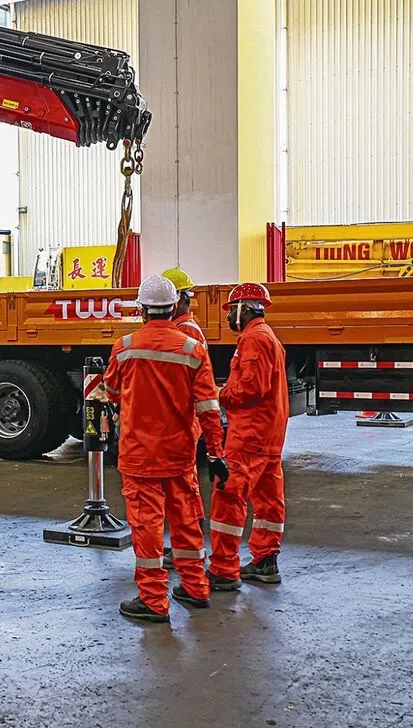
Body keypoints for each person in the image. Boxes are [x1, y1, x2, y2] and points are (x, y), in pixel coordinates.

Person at [102, 274, 227, 623]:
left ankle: (154, 601)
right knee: (187, 521)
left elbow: (111, 391)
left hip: (139, 454)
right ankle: (195, 586)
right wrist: (216, 452)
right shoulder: (192, 348)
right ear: (174, 308)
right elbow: (208, 406)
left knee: (147, 526)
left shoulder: (124, 347)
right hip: (180, 452)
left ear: (142, 310)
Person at [207, 282, 290, 590]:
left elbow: (249, 389)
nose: (229, 317)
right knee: (268, 498)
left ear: (245, 309)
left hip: (249, 435)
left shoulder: (254, 339)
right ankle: (266, 561)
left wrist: (220, 394)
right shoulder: (267, 338)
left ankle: (223, 570)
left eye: (231, 311)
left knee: (229, 496)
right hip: (269, 434)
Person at [160, 267, 207, 570]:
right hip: (184, 420)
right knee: (184, 487)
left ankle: (186, 548)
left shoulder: (185, 332)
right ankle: (187, 543)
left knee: (182, 489)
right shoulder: (188, 328)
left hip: (182, 421)